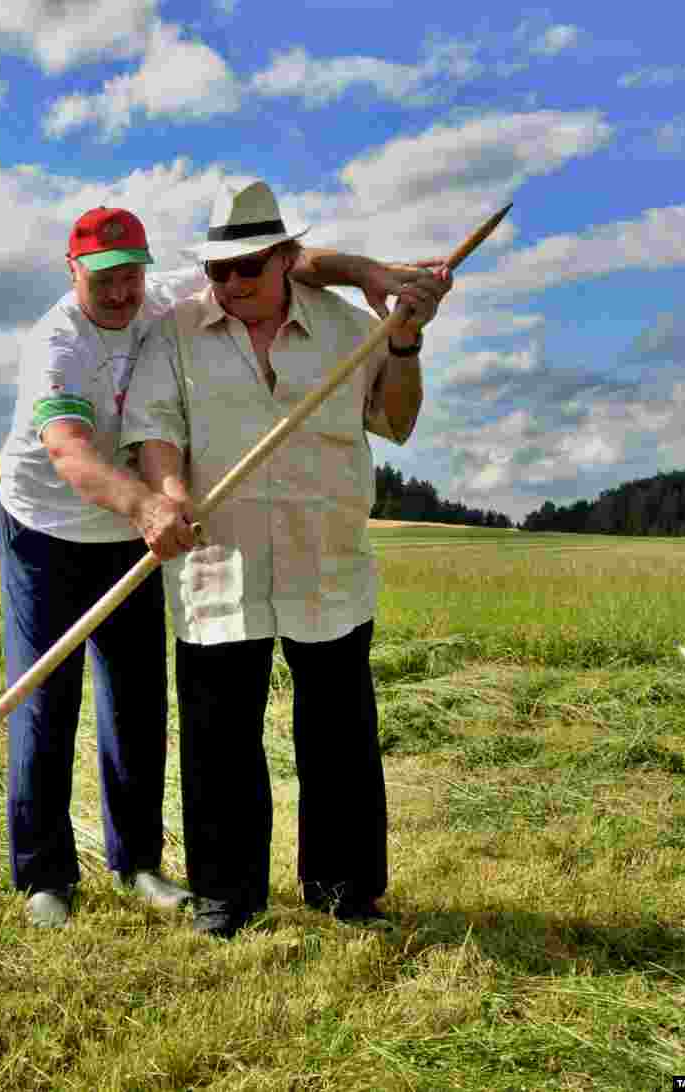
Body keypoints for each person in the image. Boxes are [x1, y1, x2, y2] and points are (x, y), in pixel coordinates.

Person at [0, 201, 441, 927]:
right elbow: (83, 446)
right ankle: (51, 874)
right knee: (47, 701)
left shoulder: (198, 299)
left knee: (140, 708)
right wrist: (157, 501)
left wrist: (380, 286)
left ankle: (146, 863)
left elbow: (314, 282)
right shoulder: (68, 342)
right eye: (101, 277)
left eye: (129, 275)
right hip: (59, 524)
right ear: (73, 270)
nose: (119, 292)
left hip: (222, 543)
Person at [120, 179, 452, 937]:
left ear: (287, 261)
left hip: (326, 557)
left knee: (339, 735)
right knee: (217, 738)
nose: (231, 284)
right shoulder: (175, 332)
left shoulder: (345, 330)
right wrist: (168, 495)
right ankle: (225, 896)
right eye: (217, 271)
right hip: (218, 562)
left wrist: (402, 341)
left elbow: (396, 421)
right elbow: (155, 426)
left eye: (248, 269)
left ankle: (345, 891)